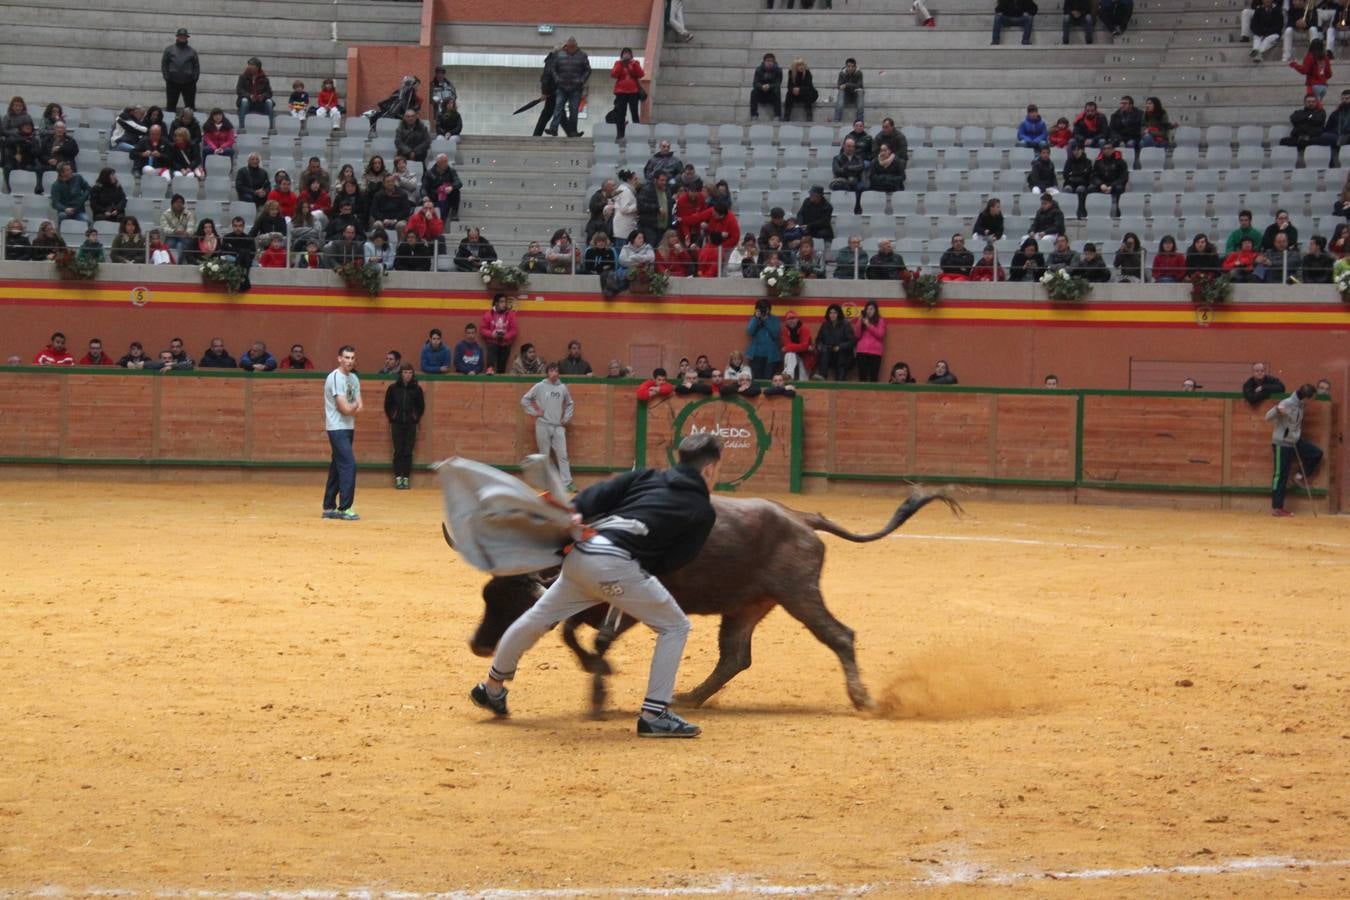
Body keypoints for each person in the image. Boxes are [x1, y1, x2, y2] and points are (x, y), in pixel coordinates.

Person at [470, 431, 721, 738]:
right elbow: (675, 561)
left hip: (582, 553)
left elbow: (597, 495)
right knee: (675, 627)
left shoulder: (646, 477)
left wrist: (575, 514)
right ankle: (655, 714)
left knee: (538, 617)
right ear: (709, 469)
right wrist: (633, 577)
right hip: (616, 564)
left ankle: (492, 688)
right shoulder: (702, 510)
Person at [1267, 384, 1322, 516]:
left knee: (1316, 453)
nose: (1312, 401)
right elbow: (1267, 417)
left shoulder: (1301, 404)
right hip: (1282, 443)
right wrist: (1277, 410)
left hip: (1295, 440)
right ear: (1306, 398)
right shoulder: (1286, 403)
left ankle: (1298, 476)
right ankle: (1277, 507)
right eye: (1312, 398)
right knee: (1280, 475)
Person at [322, 345, 363, 521]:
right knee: (349, 465)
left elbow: (360, 406)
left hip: (348, 427)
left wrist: (351, 408)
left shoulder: (353, 378)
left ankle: (329, 506)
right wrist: (352, 407)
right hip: (337, 427)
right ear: (339, 358)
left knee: (338, 467)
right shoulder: (335, 377)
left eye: (352, 358)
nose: (350, 361)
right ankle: (345, 507)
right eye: (346, 357)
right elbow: (344, 407)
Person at [521, 363, 576, 491]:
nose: (554, 373)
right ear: (547, 372)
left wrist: (565, 419)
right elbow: (525, 400)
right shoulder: (540, 386)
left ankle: (567, 483)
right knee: (544, 455)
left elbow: (570, 404)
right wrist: (535, 412)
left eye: (556, 371)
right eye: (551, 370)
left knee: (563, 455)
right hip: (543, 425)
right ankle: (545, 485)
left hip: (558, 426)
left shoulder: (562, 388)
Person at [385, 362, 425, 490]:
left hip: (411, 424)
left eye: (409, 373)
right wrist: (393, 416)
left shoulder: (417, 389)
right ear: (401, 374)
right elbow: (388, 405)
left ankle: (406, 478)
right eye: (405, 372)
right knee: (398, 452)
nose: (407, 375)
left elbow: (421, 406)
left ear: (412, 374)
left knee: (408, 451)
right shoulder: (393, 388)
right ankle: (398, 478)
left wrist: (415, 417)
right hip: (396, 424)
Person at [546, 37, 591, 138]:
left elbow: (588, 70)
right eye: (568, 46)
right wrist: (557, 79)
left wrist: (581, 80)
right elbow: (553, 68)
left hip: (576, 88)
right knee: (558, 107)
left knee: (574, 110)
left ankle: (573, 131)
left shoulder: (582, 56)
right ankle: (553, 128)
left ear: (576, 46)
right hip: (562, 86)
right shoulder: (559, 55)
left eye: (572, 47)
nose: (570, 48)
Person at [162, 28, 200, 112]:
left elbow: (196, 66)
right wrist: (166, 77)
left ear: (187, 38)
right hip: (172, 82)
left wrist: (194, 78)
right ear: (177, 37)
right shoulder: (169, 50)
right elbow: (164, 64)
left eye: (184, 36)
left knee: (190, 106)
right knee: (170, 106)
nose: (183, 38)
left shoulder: (192, 51)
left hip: (189, 83)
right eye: (181, 36)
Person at [610, 48, 644, 140]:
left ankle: (637, 133)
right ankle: (620, 134)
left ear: (631, 55)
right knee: (621, 114)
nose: (626, 55)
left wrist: (633, 64)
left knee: (634, 113)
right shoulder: (618, 63)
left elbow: (641, 74)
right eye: (624, 53)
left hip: (633, 92)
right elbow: (614, 74)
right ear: (622, 55)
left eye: (628, 53)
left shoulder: (635, 63)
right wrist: (621, 63)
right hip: (621, 92)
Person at [815, 303, 855, 380]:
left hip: (843, 354)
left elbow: (852, 341)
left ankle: (840, 381)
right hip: (828, 353)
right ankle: (822, 377)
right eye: (830, 313)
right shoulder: (825, 325)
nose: (832, 315)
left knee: (841, 357)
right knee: (824, 350)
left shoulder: (845, 325)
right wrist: (819, 346)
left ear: (839, 314)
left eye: (834, 313)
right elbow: (818, 340)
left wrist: (840, 347)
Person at [235, 57, 275, 134]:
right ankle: (241, 127)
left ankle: (271, 127)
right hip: (248, 101)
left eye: (251, 65)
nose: (249, 67)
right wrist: (249, 96)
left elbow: (269, 93)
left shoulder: (264, 79)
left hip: (260, 102)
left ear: (257, 67)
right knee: (244, 101)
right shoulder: (243, 77)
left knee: (269, 102)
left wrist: (262, 96)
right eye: (249, 65)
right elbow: (239, 90)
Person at [481, 294, 519, 374]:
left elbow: (514, 330)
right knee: (491, 349)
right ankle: (490, 369)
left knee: (501, 369)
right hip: (493, 341)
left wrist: (505, 336)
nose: (504, 304)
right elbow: (482, 329)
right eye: (502, 302)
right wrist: (492, 334)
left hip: (505, 343)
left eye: (505, 302)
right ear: (496, 303)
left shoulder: (511, 315)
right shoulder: (488, 314)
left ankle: (501, 375)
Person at [745, 299, 782, 380]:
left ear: (769, 309)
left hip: (771, 356)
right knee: (757, 380)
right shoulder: (754, 318)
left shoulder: (774, 319)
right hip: (756, 355)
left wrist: (766, 320)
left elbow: (776, 334)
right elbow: (750, 332)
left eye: (765, 309)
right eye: (761, 309)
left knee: (769, 380)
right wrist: (756, 318)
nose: (763, 311)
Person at [853, 300, 886, 382]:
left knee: (873, 377)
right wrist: (860, 322)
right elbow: (857, 335)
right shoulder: (862, 320)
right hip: (862, 351)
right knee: (862, 377)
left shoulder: (880, 320)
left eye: (871, 309)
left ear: (875, 310)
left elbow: (880, 334)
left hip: (875, 352)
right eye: (867, 309)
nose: (869, 311)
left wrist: (869, 325)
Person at [750, 53, 783, 121]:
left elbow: (778, 84)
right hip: (761, 93)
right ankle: (754, 115)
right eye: (768, 61)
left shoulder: (778, 70)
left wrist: (769, 86)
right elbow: (755, 83)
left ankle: (777, 115)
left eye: (771, 61)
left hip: (772, 93)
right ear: (764, 62)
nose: (769, 63)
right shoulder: (759, 70)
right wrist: (762, 87)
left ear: (774, 62)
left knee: (777, 91)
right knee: (753, 92)